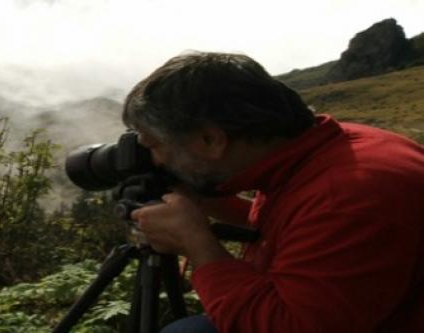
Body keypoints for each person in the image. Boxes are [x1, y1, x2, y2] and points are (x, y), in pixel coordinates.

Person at [122, 52, 424, 332]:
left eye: (154, 145)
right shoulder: (326, 151)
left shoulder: (348, 194)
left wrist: (196, 243)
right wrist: (209, 203)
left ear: (210, 140)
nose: (156, 161)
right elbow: (299, 227)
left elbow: (290, 326)